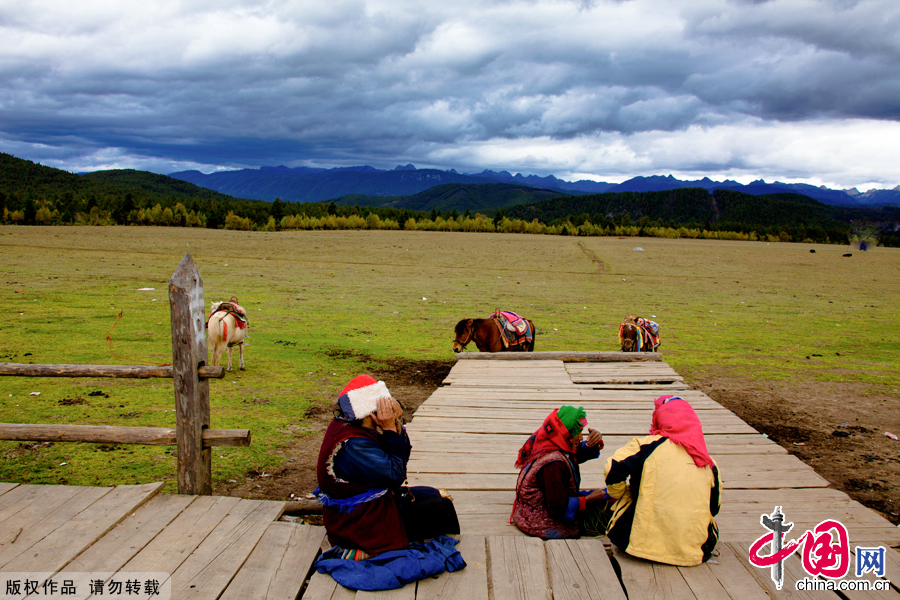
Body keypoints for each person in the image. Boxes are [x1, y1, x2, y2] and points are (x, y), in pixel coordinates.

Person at [315, 374, 460, 557]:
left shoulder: (349, 427)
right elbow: (395, 475)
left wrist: (396, 425)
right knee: (440, 507)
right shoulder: (353, 445)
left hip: (362, 510)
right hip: (359, 524)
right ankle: (370, 548)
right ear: (370, 414)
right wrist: (390, 429)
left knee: (431, 493)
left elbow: (394, 458)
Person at [604, 395, 721, 566]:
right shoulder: (708, 462)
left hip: (637, 547)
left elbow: (613, 468)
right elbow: (714, 507)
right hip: (691, 555)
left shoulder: (645, 446)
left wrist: (620, 493)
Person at [511, 405, 609, 539]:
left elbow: (574, 454)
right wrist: (588, 500)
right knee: (609, 511)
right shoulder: (554, 465)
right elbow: (558, 507)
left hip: (532, 510)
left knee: (607, 497)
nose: (581, 437)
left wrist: (593, 443)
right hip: (541, 521)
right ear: (566, 434)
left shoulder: (549, 441)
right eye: (578, 432)